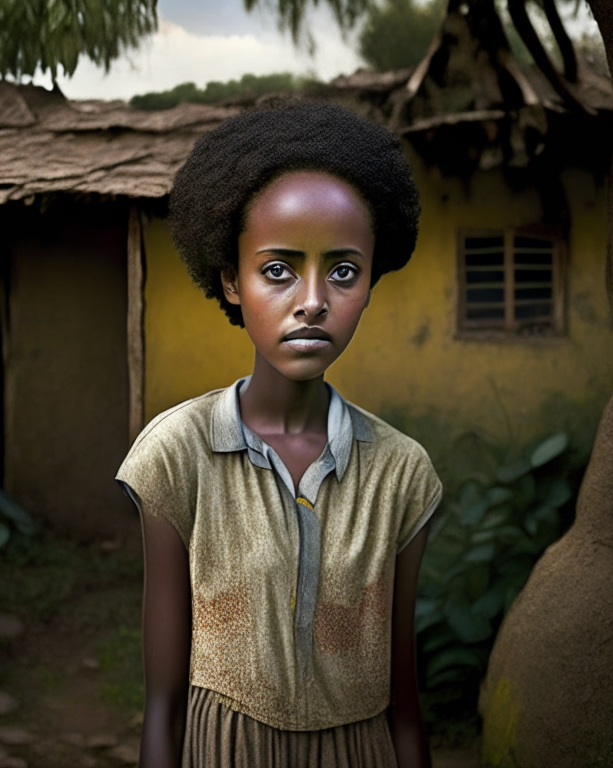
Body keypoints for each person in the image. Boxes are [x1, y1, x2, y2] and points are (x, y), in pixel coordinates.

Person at [116, 100, 443, 768]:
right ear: (231, 281)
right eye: (278, 269)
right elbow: (162, 702)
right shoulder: (176, 457)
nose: (313, 298)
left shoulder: (402, 474)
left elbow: (405, 702)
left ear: (372, 283)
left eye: (345, 271)